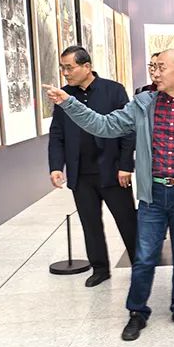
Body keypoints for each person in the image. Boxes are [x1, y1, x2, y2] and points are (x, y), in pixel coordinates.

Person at [43, 49, 174, 340]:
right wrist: (69, 103)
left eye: (161, 67)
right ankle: (137, 312)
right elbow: (104, 125)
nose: (155, 73)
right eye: (154, 67)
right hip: (153, 196)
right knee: (144, 258)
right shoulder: (143, 104)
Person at [48, 46, 137, 288]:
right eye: (63, 68)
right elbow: (57, 133)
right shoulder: (65, 95)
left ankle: (140, 266)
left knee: (127, 222)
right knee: (90, 224)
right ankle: (100, 269)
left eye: (69, 67)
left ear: (86, 66)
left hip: (113, 170)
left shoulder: (113, 90)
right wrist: (56, 166)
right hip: (81, 173)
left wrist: (126, 165)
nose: (65, 73)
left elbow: (128, 130)